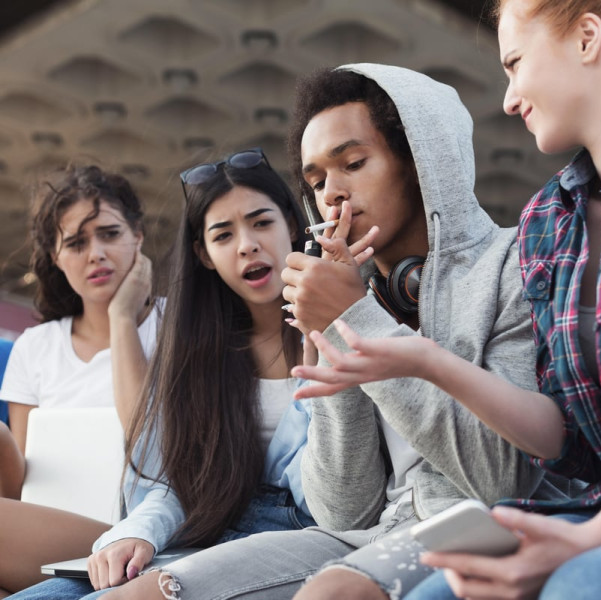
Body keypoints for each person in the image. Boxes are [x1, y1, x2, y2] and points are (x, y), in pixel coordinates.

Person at [291, 1, 601, 598]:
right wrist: (422, 360)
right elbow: (564, 438)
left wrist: (590, 539)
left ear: (587, 38)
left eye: (515, 62)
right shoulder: (549, 219)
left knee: (585, 585)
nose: (508, 98)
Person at [98, 63, 567, 600]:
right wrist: (337, 330)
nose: (332, 195)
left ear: (418, 160)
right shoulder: (350, 291)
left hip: (480, 524)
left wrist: (361, 320)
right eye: (317, 181)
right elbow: (345, 506)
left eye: (353, 163)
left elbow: (500, 480)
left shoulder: (511, 263)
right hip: (362, 535)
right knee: (138, 595)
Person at [7, 148, 373, 600]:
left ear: (293, 226)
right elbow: (172, 479)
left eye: (261, 222)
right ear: (204, 255)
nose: (246, 245)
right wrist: (136, 531)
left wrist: (325, 341)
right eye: (223, 235)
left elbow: (340, 500)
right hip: (198, 535)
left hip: (301, 541)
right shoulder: (195, 351)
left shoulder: (349, 328)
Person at [0, 165, 156, 597]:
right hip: (50, 532)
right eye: (76, 243)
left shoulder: (178, 325)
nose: (96, 253)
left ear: (137, 238)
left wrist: (123, 317)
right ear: (56, 257)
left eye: (109, 234)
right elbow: (20, 487)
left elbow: (148, 438)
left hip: (139, 532)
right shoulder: (35, 346)